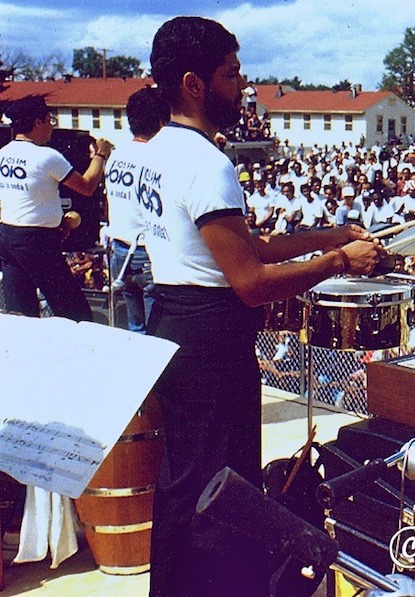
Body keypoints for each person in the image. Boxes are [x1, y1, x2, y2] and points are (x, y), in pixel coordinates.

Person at [142, 17, 384, 596]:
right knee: (223, 492)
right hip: (211, 344)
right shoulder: (207, 163)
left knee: (182, 486)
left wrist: (326, 236)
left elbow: (246, 247)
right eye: (231, 73)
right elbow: (250, 281)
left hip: (174, 325)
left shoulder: (157, 149)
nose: (243, 84)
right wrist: (340, 263)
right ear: (194, 83)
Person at [0, 96, 114, 321]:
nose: (52, 126)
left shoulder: (3, 153)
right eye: (49, 120)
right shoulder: (47, 156)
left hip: (7, 235)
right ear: (37, 122)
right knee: (74, 312)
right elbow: (87, 186)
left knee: (21, 313)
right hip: (36, 242)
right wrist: (101, 154)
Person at [104, 87, 168, 333]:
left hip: (120, 248)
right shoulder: (156, 156)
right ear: (162, 121)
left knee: (135, 325)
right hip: (145, 251)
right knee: (155, 329)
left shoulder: (117, 155)